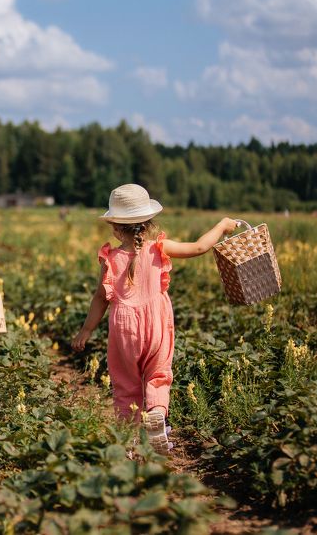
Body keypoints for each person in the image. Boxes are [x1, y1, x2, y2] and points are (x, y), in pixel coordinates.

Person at [71, 183, 238, 453]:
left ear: (115, 227)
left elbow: (100, 298)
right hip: (157, 324)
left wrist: (86, 330)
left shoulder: (109, 258)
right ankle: (157, 413)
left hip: (124, 328)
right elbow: (199, 247)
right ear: (148, 223)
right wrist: (222, 226)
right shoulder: (160, 248)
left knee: (126, 383)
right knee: (158, 374)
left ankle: (129, 438)